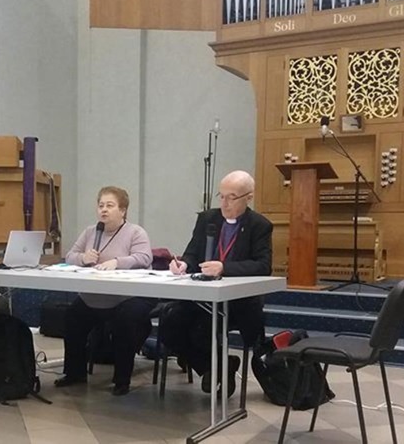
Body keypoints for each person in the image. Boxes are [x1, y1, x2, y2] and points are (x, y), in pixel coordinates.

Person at [164, 170, 272, 397]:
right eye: (221, 196)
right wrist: (183, 264)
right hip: (201, 296)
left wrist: (225, 267)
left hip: (237, 301)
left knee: (202, 329)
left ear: (248, 197)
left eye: (231, 197)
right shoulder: (207, 219)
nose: (224, 203)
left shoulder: (259, 225)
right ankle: (217, 367)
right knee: (170, 322)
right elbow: (193, 253)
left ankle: (217, 367)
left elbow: (263, 265)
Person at [54, 186, 154, 396]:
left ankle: (121, 379)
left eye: (110, 205)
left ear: (123, 210)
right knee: (72, 316)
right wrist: (83, 258)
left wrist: (117, 262)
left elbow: (144, 258)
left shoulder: (135, 232)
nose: (104, 210)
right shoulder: (91, 231)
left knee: (125, 321)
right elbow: (71, 255)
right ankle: (74, 373)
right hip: (94, 296)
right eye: (101, 205)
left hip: (124, 298)